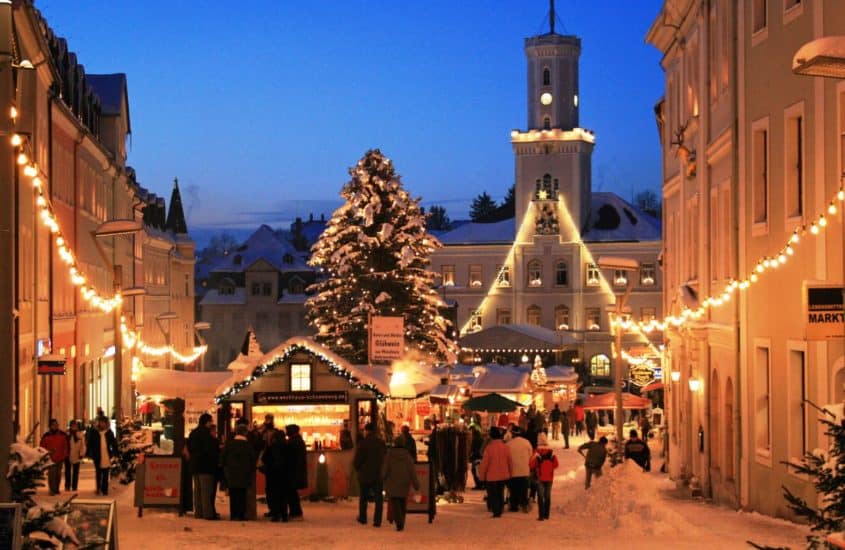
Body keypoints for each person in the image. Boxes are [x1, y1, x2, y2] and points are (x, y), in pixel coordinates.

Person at [382, 438, 420, 532]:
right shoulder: (407, 455)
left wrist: (382, 478)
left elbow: (385, 468)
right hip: (404, 482)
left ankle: (399, 523)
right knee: (402, 503)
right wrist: (416, 484)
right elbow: (412, 471)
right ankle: (401, 522)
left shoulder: (389, 454)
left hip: (392, 481)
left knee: (395, 502)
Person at [186, 413, 219, 520]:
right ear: (207, 422)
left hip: (195, 465)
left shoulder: (193, 433)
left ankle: (198, 513)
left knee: (198, 491)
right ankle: (207, 514)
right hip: (206, 465)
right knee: (206, 491)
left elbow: (189, 448)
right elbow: (211, 450)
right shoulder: (207, 434)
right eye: (211, 421)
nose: (211, 424)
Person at [222, 423, 257, 521]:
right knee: (242, 494)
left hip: (231, 473)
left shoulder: (230, 444)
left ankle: (234, 514)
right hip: (244, 473)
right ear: (245, 433)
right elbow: (252, 459)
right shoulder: (248, 445)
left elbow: (223, 457)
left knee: (233, 494)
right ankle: (241, 514)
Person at [354, 422, 386, 527]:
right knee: (378, 499)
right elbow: (384, 458)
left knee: (363, 497)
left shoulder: (363, 444)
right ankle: (377, 520)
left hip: (365, 474)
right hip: (377, 474)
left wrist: (358, 468)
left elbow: (357, 461)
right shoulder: (381, 443)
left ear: (366, 431)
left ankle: (363, 518)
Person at [479, 427, 512, 518]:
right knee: (500, 492)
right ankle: (500, 509)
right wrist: (510, 473)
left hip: (491, 476)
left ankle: (496, 511)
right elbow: (510, 461)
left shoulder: (489, 448)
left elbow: (484, 464)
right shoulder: (506, 447)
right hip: (503, 474)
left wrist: (482, 476)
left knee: (493, 494)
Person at [529, 433, 559, 521]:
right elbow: (556, 464)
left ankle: (541, 516)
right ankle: (547, 515)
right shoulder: (551, 452)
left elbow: (531, 464)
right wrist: (549, 468)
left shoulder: (537, 452)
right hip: (549, 477)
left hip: (540, 477)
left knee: (540, 496)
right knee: (548, 496)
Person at [85, 416, 117, 496]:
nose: (102, 424)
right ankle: (98, 488)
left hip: (106, 455)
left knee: (106, 473)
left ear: (106, 423)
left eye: (104, 422)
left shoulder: (109, 432)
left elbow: (114, 443)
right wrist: (89, 453)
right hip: (97, 455)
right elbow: (90, 443)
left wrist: (115, 453)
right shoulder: (94, 432)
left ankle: (104, 489)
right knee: (98, 472)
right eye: (101, 422)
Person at [262, 429, 288, 522]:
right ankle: (284, 515)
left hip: (272, 473)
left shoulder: (271, 447)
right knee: (283, 494)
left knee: (274, 494)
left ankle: (276, 514)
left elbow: (264, 458)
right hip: (284, 473)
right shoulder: (287, 446)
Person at [505, 426, 532, 513]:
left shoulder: (509, 444)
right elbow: (530, 455)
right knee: (523, 488)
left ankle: (514, 505)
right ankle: (524, 503)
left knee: (513, 489)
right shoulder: (526, 442)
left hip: (513, 471)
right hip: (524, 470)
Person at [284, 424, 307, 521]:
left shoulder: (294, 442)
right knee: (292, 493)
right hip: (296, 471)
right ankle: (295, 512)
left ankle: (296, 512)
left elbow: (290, 457)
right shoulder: (298, 441)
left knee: (291, 493)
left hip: (293, 472)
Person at [40, 419, 69, 495]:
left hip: (60, 457)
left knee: (58, 475)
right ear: (50, 426)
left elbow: (65, 446)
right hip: (50, 458)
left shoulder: (62, 435)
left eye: (56, 425)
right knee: (51, 475)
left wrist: (64, 455)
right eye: (53, 425)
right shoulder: (46, 436)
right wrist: (45, 455)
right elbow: (42, 447)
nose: (55, 426)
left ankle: (56, 489)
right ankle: (52, 489)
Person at [64, 420, 86, 492]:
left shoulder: (80, 434)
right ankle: (67, 486)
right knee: (67, 471)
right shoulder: (67, 434)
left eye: (75, 425)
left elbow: (83, 445)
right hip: (68, 454)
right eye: (72, 425)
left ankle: (74, 486)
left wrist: (82, 453)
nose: (74, 427)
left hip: (77, 454)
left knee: (75, 472)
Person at [469, 419, 484, 490]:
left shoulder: (475, 439)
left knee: (475, 471)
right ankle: (481, 484)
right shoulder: (481, 438)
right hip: (480, 457)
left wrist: (470, 455)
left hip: (476, 456)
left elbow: (472, 449)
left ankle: (479, 485)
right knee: (479, 471)